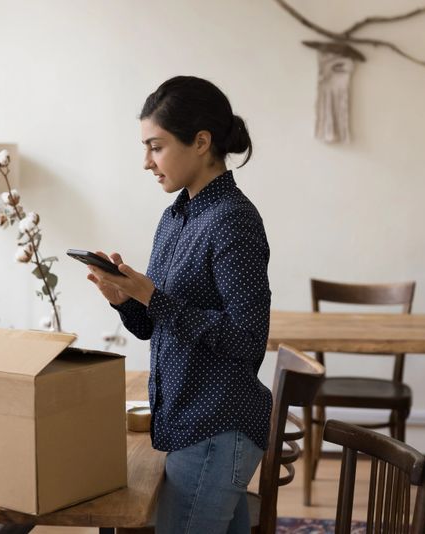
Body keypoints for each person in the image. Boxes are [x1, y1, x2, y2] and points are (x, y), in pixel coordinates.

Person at [85, 75, 272, 534]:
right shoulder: (176, 216)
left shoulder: (233, 221)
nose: (146, 162)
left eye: (156, 146)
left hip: (217, 426)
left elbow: (248, 341)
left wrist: (152, 296)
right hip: (190, 420)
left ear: (202, 142)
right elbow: (156, 326)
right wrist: (125, 300)